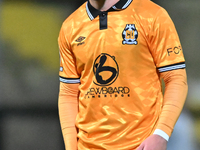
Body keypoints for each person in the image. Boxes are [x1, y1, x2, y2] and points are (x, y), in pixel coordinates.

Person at [58, 0, 188, 149]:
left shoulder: (153, 15)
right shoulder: (70, 26)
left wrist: (161, 134)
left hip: (140, 145)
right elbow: (68, 93)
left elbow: (176, 79)